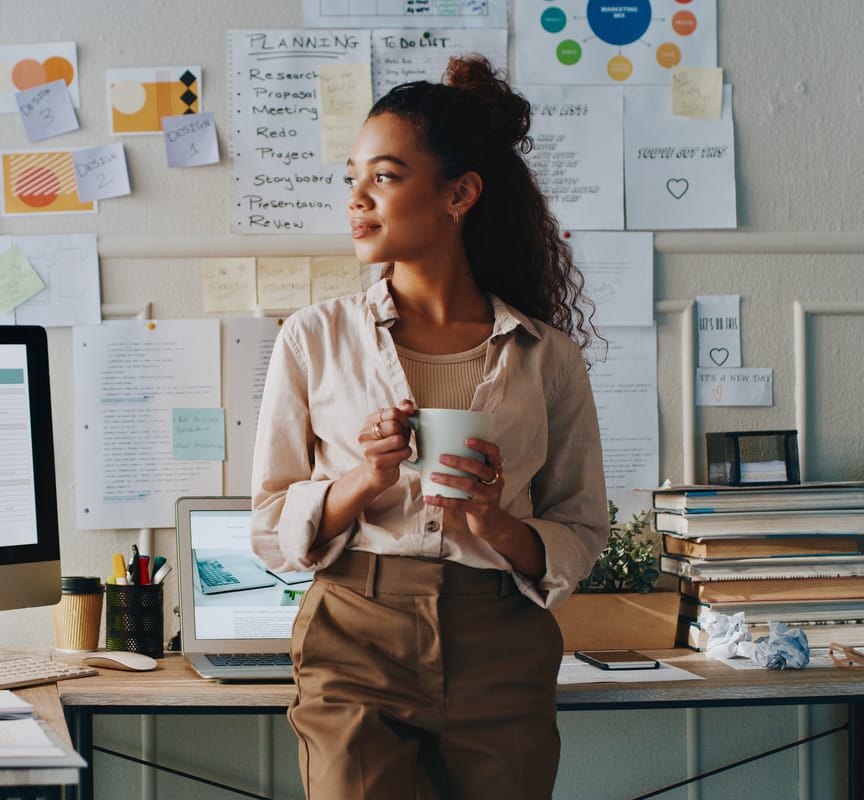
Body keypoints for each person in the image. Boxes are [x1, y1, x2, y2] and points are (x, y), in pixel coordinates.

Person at [250, 55, 609, 799]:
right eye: (351, 179)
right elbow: (270, 524)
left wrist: (493, 520)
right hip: (354, 634)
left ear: (460, 194)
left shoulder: (548, 357)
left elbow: (581, 530)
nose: (357, 200)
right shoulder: (313, 337)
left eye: (383, 177)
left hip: (503, 643)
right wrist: (366, 478)